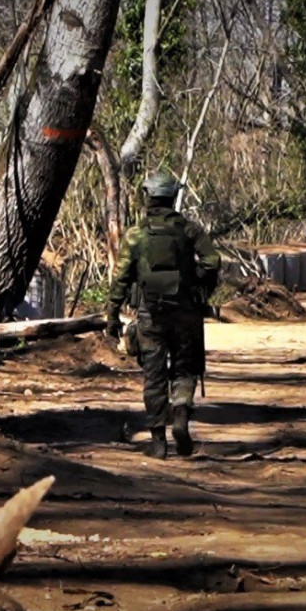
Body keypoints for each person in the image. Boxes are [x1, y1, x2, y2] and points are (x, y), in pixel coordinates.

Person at [104, 172, 220, 458]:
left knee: (153, 376)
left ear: (148, 197)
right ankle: (180, 416)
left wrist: (112, 315)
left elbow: (120, 279)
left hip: (150, 315)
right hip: (186, 315)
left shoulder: (135, 235)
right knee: (185, 368)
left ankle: (158, 440)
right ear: (172, 197)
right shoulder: (190, 230)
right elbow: (212, 261)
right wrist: (197, 284)